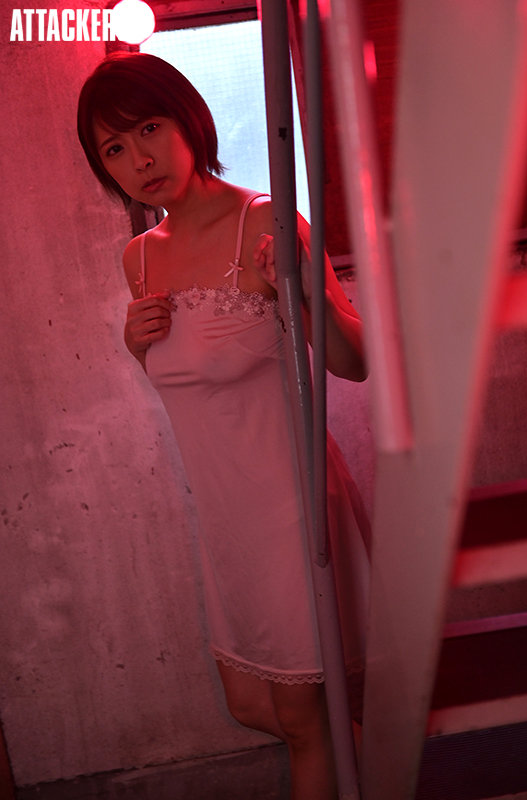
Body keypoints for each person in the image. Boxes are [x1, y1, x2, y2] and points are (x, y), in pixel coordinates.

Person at [77, 51, 369, 800]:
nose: (139, 160)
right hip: (226, 522)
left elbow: (355, 362)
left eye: (149, 128)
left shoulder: (266, 221)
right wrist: (137, 347)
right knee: (250, 706)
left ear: (189, 120)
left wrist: (302, 293)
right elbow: (194, 383)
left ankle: (364, 760)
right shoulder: (139, 260)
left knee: (302, 721)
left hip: (291, 510)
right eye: (114, 148)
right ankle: (377, 760)